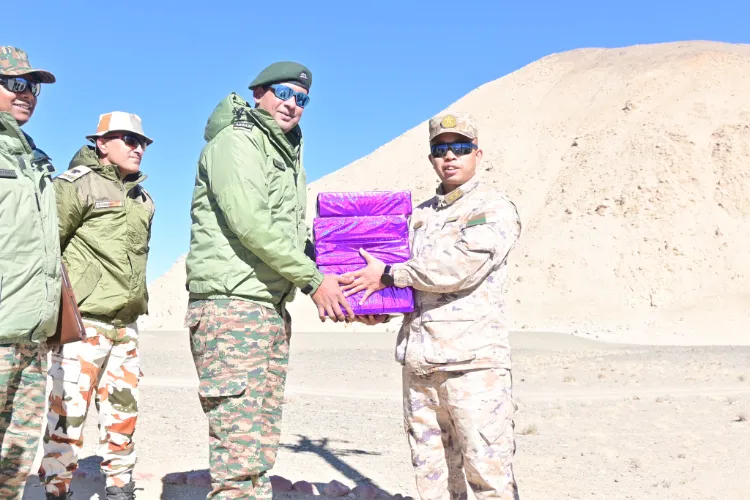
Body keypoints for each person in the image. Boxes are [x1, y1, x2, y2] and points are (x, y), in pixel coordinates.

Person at [184, 61, 354, 499]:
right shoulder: (238, 142)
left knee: (258, 449)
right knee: (238, 459)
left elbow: (291, 236)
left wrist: (343, 282)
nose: (292, 105)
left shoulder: (284, 150)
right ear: (258, 92)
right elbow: (251, 223)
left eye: (302, 99)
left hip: (267, 308)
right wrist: (315, 282)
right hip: (232, 307)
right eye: (283, 93)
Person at [342, 112, 523, 500]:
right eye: (441, 149)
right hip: (420, 365)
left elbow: (459, 267)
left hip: (472, 367)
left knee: (487, 473)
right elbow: (404, 280)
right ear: (431, 158)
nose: (450, 157)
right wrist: (378, 305)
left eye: (460, 148)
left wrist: (389, 275)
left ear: (478, 154)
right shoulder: (418, 216)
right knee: (432, 477)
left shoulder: (492, 208)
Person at [39, 111, 155, 500]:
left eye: (143, 142)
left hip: (126, 327)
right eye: (128, 139)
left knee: (123, 418)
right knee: (67, 419)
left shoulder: (143, 198)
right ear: (102, 143)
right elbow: (46, 249)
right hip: (82, 325)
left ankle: (121, 489)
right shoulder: (74, 186)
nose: (138, 148)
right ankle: (56, 491)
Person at [0, 45, 61, 500]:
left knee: (16, 459)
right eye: (16, 83)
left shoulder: (34, 158)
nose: (27, 94)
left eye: (33, 87)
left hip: (31, 333)